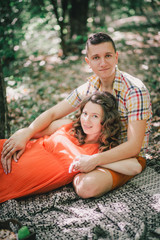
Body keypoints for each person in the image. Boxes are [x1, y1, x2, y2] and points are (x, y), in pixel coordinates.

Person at [1, 32, 152, 199]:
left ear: (116, 57)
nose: (103, 63)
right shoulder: (90, 86)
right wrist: (27, 132)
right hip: (91, 144)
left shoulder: (134, 91)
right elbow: (53, 113)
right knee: (61, 125)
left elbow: (133, 147)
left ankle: (77, 165)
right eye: (96, 57)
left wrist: (94, 160)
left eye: (108, 55)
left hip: (124, 157)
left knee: (86, 186)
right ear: (88, 62)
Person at [1, 91, 123, 203]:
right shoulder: (69, 126)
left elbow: (135, 167)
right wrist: (20, 136)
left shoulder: (100, 152)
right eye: (85, 113)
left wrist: (97, 161)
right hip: (11, 154)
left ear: (107, 120)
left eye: (95, 116)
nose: (86, 120)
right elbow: (31, 132)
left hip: (15, 181)